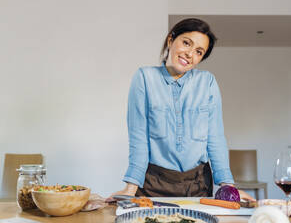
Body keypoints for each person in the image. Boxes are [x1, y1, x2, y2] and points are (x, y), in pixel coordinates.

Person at [108, 18, 255, 201]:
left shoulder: (207, 82)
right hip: (153, 185)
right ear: (171, 40)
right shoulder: (144, 78)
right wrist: (130, 188)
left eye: (198, 52)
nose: (190, 54)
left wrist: (228, 187)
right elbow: (139, 137)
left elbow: (215, 138)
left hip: (198, 185)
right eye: (186, 43)